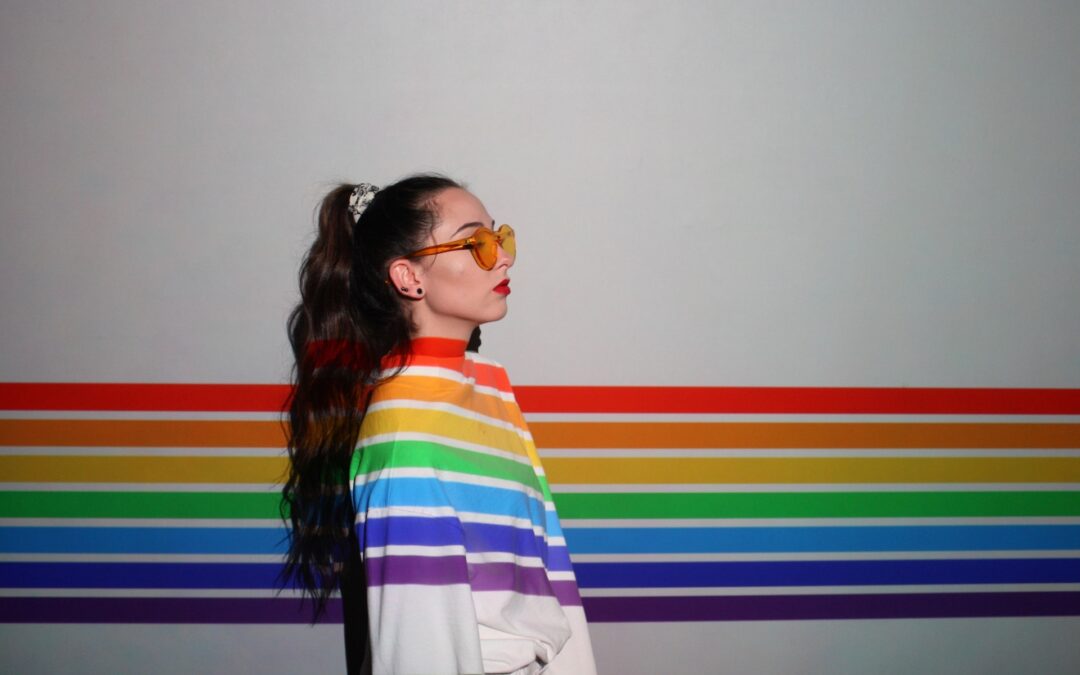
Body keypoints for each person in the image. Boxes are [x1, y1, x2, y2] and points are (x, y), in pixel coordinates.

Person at [282, 174, 597, 675]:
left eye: (499, 237)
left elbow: (548, 582)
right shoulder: (405, 432)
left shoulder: (487, 389)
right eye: (476, 243)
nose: (503, 257)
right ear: (408, 277)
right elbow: (417, 646)